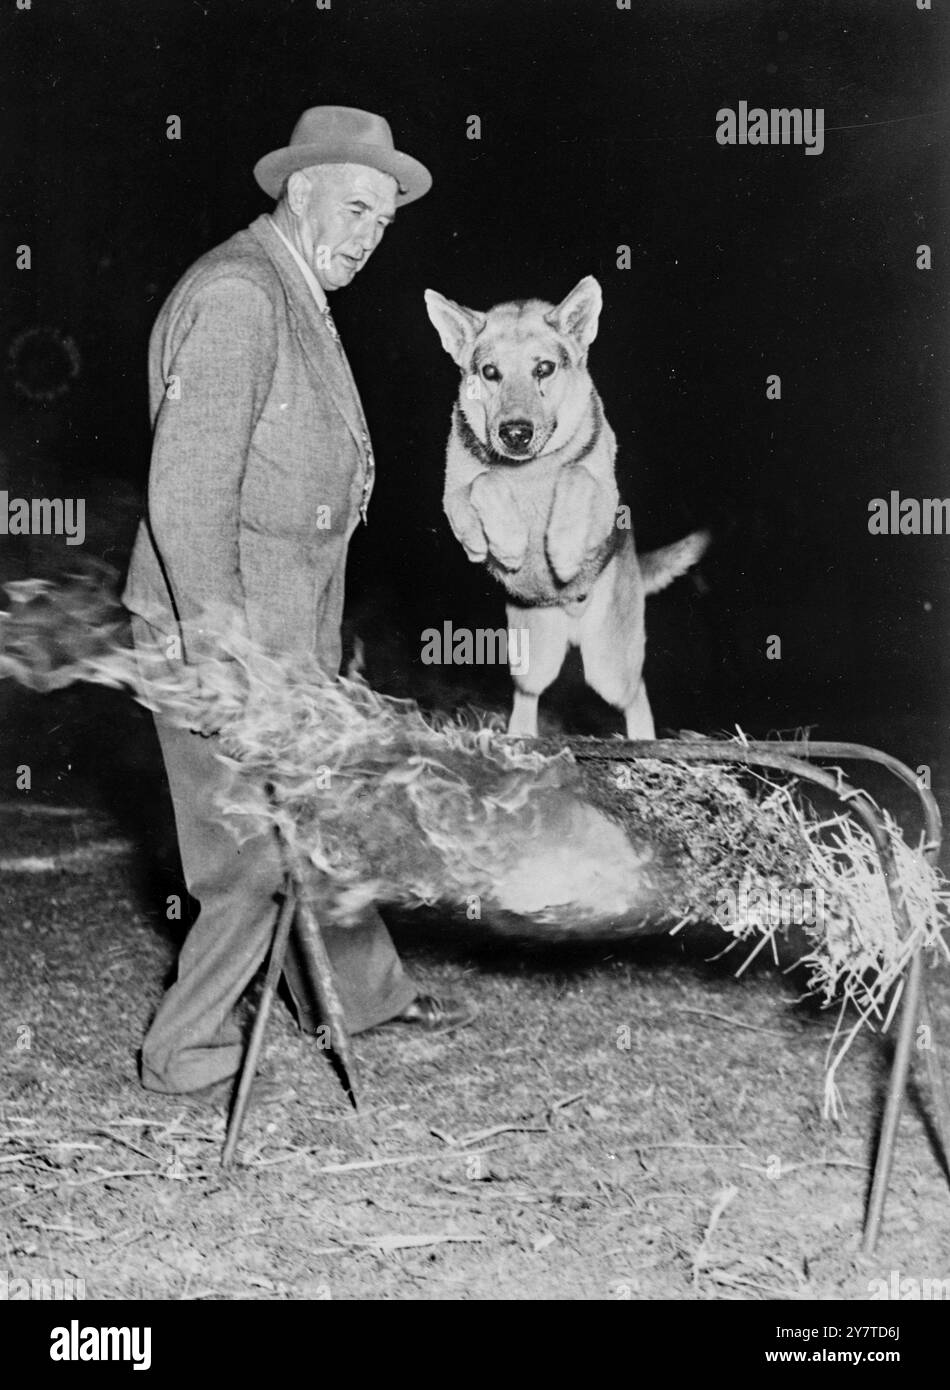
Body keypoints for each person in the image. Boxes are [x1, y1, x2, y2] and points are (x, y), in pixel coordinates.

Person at [123, 106, 473, 1098]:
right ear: (300, 184)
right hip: (214, 634)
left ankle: (362, 996)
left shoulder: (288, 287)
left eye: (381, 221)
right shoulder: (241, 294)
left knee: (319, 814)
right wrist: (225, 652)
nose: (366, 233)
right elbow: (187, 496)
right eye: (355, 206)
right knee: (245, 856)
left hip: (281, 635)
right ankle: (184, 1050)